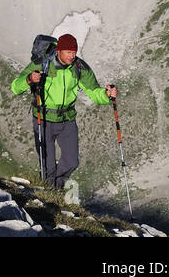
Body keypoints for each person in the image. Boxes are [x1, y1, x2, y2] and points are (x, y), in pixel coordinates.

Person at [9, 34, 118, 189]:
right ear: (59, 50)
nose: (72, 56)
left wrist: (107, 95)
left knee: (72, 161)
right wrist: (28, 79)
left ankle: (55, 188)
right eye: (68, 52)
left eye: (74, 52)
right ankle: (49, 193)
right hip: (43, 118)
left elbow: (93, 91)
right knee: (48, 165)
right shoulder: (42, 64)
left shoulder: (79, 68)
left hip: (67, 119)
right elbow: (15, 87)